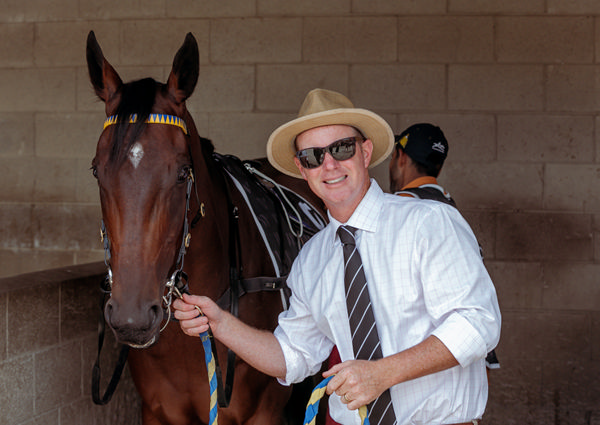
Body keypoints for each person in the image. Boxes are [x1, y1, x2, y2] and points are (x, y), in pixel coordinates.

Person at [173, 89, 501, 425]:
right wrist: (220, 323)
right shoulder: (311, 260)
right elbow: (292, 356)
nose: (329, 164)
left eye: (341, 148)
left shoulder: (428, 223)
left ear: (366, 151)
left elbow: (477, 323)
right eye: (313, 156)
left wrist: (383, 374)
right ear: (302, 169)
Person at [389, 122, 501, 372]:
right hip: (465, 355)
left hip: (418, 361)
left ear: (401, 157)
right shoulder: (448, 206)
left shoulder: (401, 208)